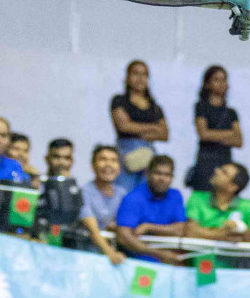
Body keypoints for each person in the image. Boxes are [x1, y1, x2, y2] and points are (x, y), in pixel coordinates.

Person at [113, 155, 188, 264]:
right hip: (137, 264)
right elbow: (123, 237)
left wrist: (149, 227)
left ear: (172, 178)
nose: (162, 179)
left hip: (169, 265)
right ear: (148, 174)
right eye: (158, 173)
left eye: (167, 175)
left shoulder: (175, 196)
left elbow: (180, 229)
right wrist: (159, 254)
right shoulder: (133, 198)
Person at [111, 60, 169, 193]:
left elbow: (164, 134)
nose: (140, 78)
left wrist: (137, 129)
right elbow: (124, 126)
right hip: (126, 154)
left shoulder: (154, 106)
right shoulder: (119, 100)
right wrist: (153, 128)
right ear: (127, 77)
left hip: (148, 156)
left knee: (146, 194)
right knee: (123, 193)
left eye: (144, 74)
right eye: (135, 73)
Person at [186, 65, 242, 192]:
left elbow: (238, 141)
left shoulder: (231, 112)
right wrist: (228, 134)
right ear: (207, 84)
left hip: (225, 160)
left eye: (224, 80)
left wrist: (214, 136)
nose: (221, 84)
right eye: (216, 80)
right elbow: (204, 134)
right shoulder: (201, 107)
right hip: (205, 161)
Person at [74, 145, 129, 264]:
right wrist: (111, 254)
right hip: (85, 255)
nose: (108, 164)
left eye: (114, 160)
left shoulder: (122, 194)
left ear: (119, 168)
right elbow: (93, 230)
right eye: (103, 159)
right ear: (93, 166)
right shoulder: (84, 192)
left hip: (112, 256)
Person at [186, 162, 250, 242]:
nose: (216, 171)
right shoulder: (197, 198)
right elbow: (190, 231)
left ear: (232, 187)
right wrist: (223, 235)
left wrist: (240, 228)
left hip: (232, 254)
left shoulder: (246, 206)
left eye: (224, 172)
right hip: (200, 254)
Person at [37, 139, 85, 241]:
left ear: (72, 161)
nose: (61, 162)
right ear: (47, 158)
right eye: (56, 157)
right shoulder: (37, 185)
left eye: (66, 158)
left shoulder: (78, 190)